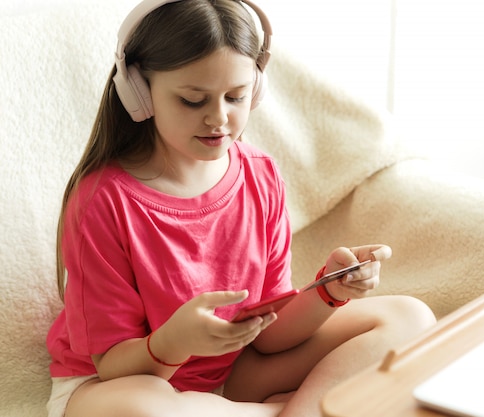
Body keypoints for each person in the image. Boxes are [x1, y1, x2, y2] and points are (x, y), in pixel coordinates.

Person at [45, 0, 437, 416]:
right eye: (193, 100)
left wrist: (328, 293)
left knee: (410, 317)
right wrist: (173, 342)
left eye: (236, 97)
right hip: (128, 381)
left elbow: (268, 335)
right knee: (139, 411)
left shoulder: (261, 176)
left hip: (231, 373)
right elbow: (112, 366)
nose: (219, 118)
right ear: (139, 92)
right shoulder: (103, 201)